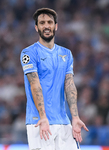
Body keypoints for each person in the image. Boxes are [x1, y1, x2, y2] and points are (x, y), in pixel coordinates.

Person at [20, 8, 89, 150]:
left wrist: (75, 117)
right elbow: (35, 84)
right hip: (40, 122)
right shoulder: (29, 53)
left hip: (63, 121)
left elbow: (69, 85)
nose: (46, 26)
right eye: (42, 23)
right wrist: (42, 116)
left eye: (50, 22)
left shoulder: (66, 54)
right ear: (36, 27)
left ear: (55, 26)